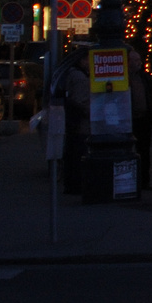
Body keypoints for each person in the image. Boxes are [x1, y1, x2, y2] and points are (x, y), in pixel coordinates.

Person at [58, 48, 91, 195]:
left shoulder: (74, 74)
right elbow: (81, 101)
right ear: (82, 61)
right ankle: (75, 184)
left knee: (73, 153)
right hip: (80, 123)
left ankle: (72, 183)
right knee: (78, 154)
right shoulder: (80, 77)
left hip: (74, 122)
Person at [127, 42, 152, 191]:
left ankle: (144, 180)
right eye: (136, 61)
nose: (139, 63)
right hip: (131, 119)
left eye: (140, 60)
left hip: (143, 119)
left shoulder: (143, 77)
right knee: (133, 150)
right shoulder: (125, 78)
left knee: (144, 150)